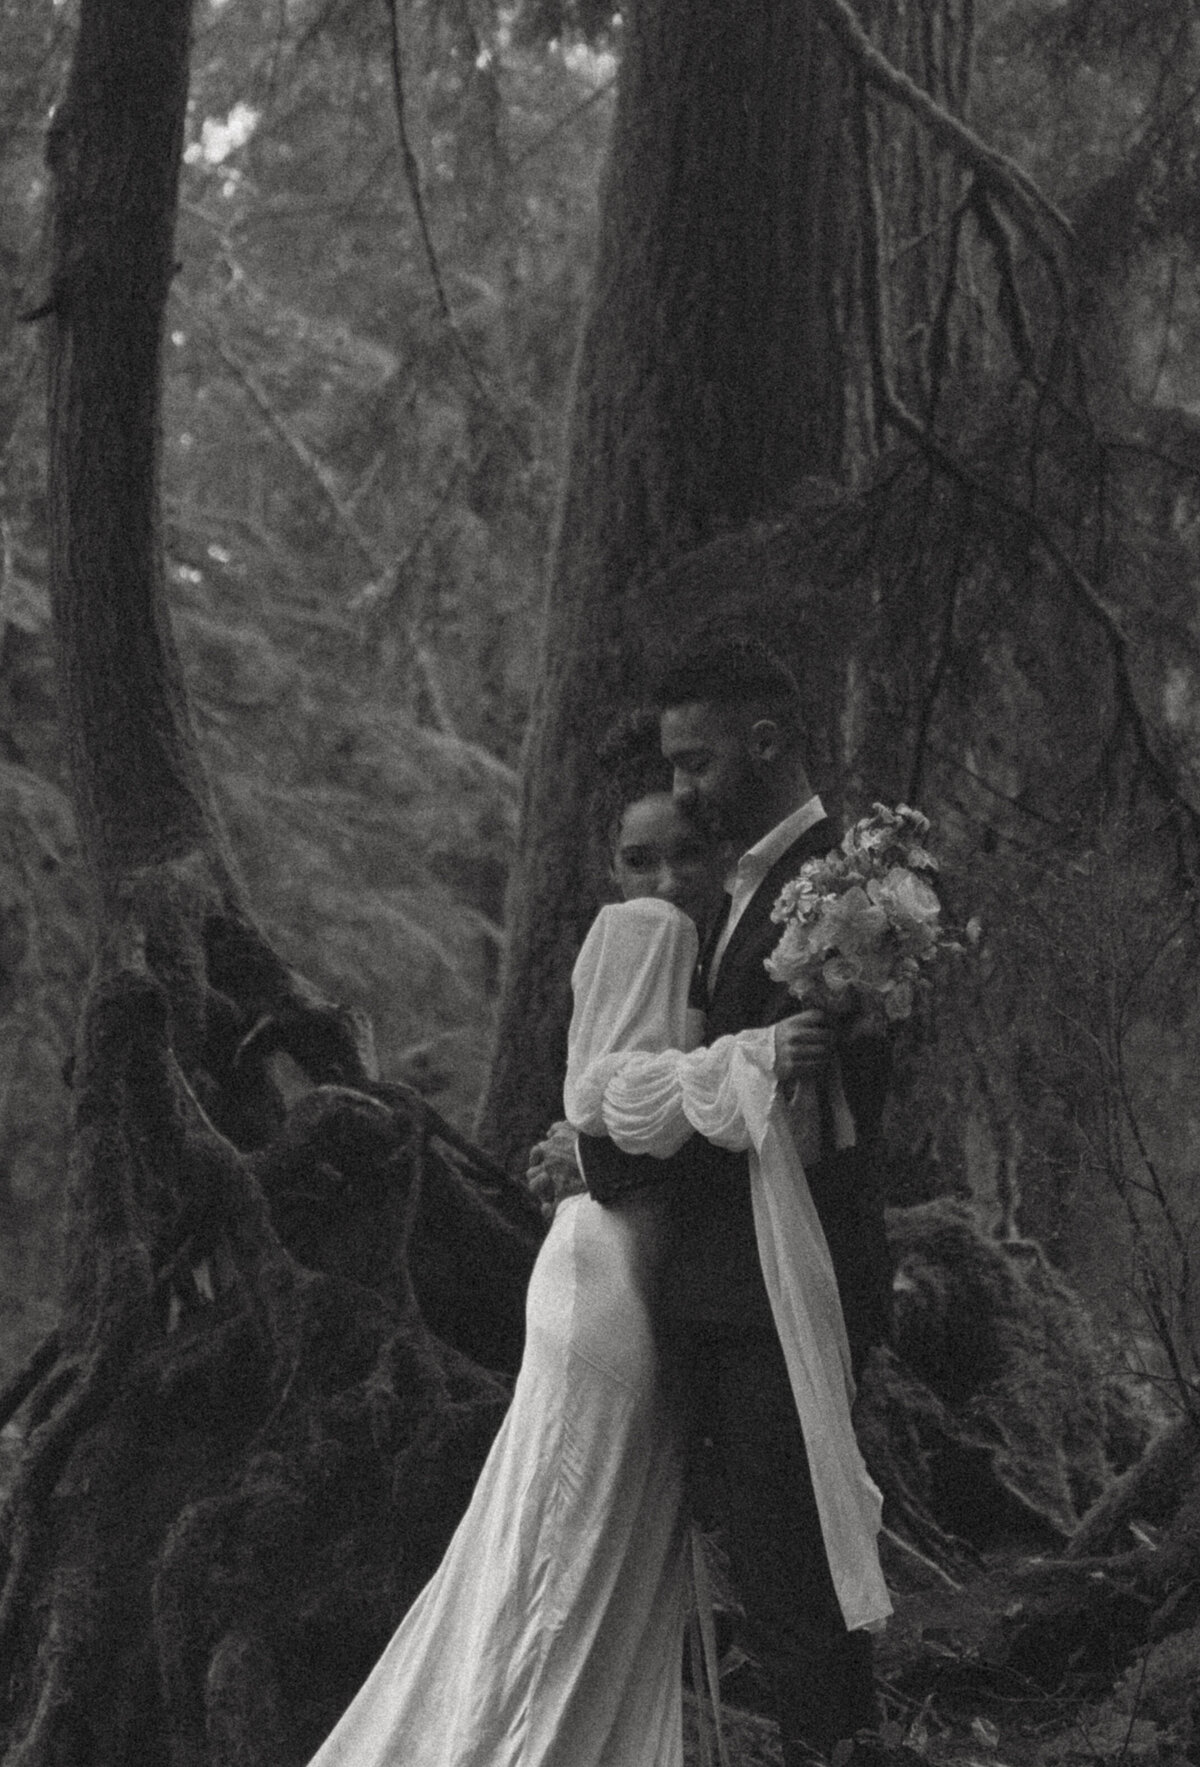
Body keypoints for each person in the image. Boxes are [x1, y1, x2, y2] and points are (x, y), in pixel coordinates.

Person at [306, 779, 831, 1767]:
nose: (662, 879)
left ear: (723, 859)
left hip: (628, 1269)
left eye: (683, 855)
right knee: (562, 1549)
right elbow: (604, 1092)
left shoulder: (712, 948)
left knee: (578, 1545)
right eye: (638, 859)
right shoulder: (643, 930)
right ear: (610, 869)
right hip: (607, 1281)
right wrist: (759, 1053)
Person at [571, 636, 895, 1764]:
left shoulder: (857, 894)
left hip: (781, 1288)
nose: (682, 789)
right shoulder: (714, 894)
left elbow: (824, 1122)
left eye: (698, 762)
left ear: (766, 743)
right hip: (714, 1286)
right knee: (771, 1575)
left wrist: (608, 1149)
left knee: (795, 1574)